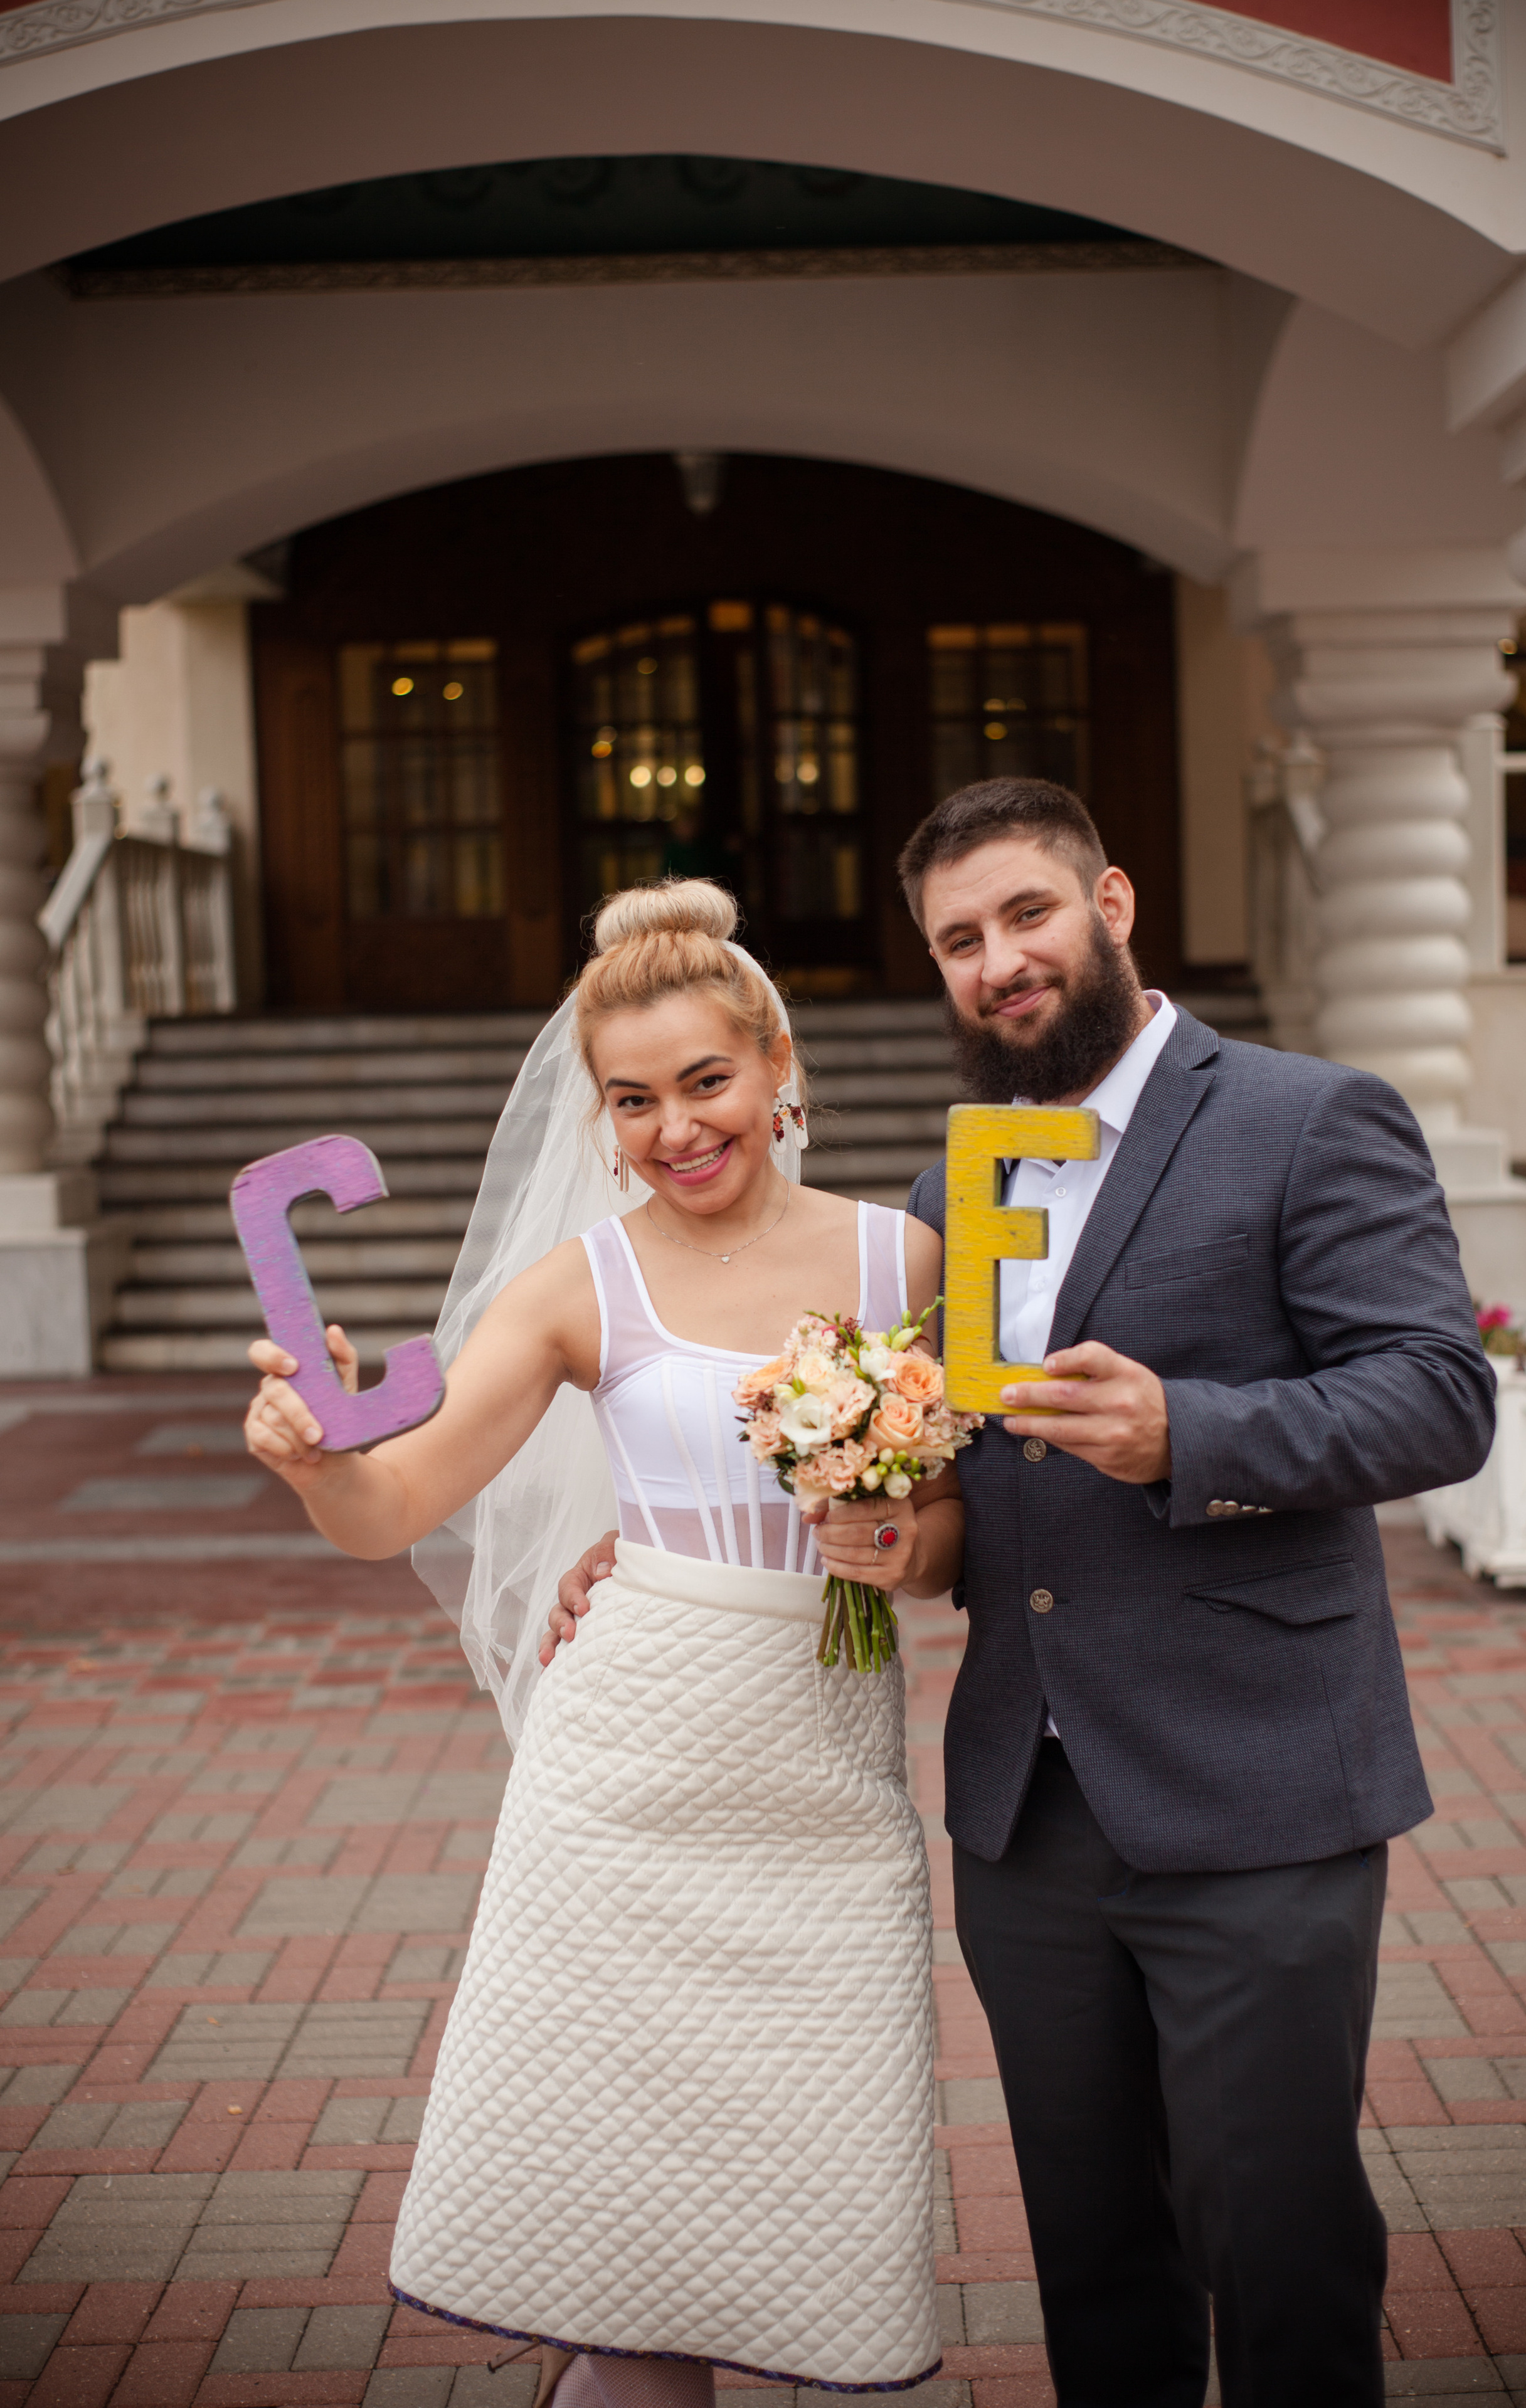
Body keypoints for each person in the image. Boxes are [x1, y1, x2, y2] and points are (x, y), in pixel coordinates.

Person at [554, 782, 1498, 2408]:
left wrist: (1188, 1428)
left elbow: (1438, 1397)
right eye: (960, 940)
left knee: (1276, 2240)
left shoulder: (1303, 1116)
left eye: (1028, 916)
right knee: (1096, 2256)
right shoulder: (959, 1188)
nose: (1001, 960)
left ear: (1113, 904)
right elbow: (954, 1479)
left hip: (1259, 1785)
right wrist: (705, 1540)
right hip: (1029, 1808)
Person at [243, 880, 962, 2405]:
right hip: (622, 1787)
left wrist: (898, 1547)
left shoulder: (909, 1263)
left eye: (705, 1082)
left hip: (824, 1789)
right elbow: (396, 1506)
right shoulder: (576, 1287)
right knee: (623, 2270)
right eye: (630, 1101)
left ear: (777, 1065)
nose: (673, 1128)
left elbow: (968, 1522)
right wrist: (318, 1462)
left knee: (792, 2199)